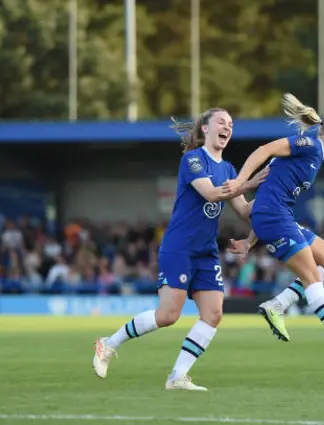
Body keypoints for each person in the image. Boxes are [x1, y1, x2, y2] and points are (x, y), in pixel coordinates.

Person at [92, 108, 267, 391]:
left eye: (231, 124)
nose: (227, 127)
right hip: (179, 247)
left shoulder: (229, 169)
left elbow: (245, 211)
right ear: (205, 129)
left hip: (206, 251)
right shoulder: (193, 160)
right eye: (221, 122)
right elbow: (211, 193)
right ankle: (108, 344)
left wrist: (270, 195)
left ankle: (177, 376)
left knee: (213, 314)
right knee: (167, 316)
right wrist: (249, 183)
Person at [223, 93, 324, 364]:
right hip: (275, 217)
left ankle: (278, 305)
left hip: (275, 216)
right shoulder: (309, 144)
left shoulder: (313, 154)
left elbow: (266, 197)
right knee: (313, 279)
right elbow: (265, 150)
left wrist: (249, 241)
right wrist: (239, 182)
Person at [227, 200, 324, 340]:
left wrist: (249, 242)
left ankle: (277, 304)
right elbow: (250, 207)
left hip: (288, 220)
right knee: (312, 276)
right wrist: (244, 182)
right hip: (281, 225)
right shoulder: (274, 182)